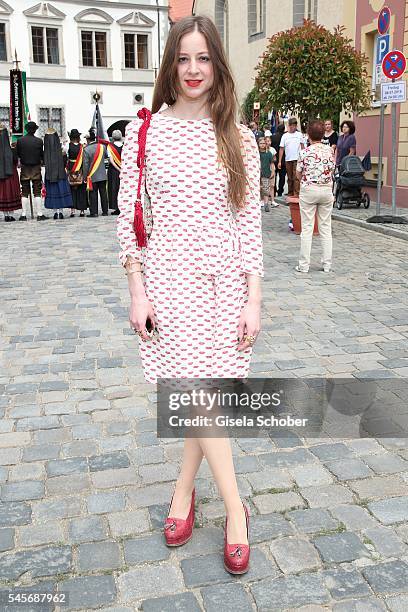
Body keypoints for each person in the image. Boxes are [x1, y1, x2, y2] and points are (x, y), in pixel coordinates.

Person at [117, 15, 263, 575]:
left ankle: (190, 497)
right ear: (170, 65)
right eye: (183, 58)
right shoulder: (145, 132)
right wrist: (137, 290)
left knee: (203, 399)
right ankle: (233, 509)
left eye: (203, 58)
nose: (194, 69)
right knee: (201, 399)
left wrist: (254, 298)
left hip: (225, 289)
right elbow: (130, 223)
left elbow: (248, 224)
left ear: (217, 64)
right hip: (170, 289)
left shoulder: (239, 137)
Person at [295, 120, 335, 273]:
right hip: (326, 190)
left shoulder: (304, 152)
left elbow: (298, 172)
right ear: (323, 134)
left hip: (309, 190)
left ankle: (304, 265)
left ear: (308, 135)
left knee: (307, 228)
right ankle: (327, 264)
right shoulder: (329, 151)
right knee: (325, 227)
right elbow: (331, 169)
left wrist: (305, 178)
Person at [16, 121, 48, 221]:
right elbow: (42, 155)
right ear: (34, 130)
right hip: (36, 168)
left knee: (24, 192)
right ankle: (39, 213)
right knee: (37, 192)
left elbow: (18, 154)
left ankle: (23, 214)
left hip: (25, 168)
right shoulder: (39, 141)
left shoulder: (20, 140)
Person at [43, 128, 73, 219]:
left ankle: (56, 213)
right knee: (60, 192)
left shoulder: (45, 152)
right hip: (60, 174)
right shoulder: (62, 152)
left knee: (53, 193)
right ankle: (60, 212)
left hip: (50, 174)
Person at [83, 129, 108, 217]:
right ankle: (105, 211)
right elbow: (105, 157)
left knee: (93, 194)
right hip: (102, 174)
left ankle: (94, 212)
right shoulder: (103, 147)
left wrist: (85, 177)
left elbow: (85, 165)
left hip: (92, 175)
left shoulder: (86, 149)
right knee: (103, 193)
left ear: (88, 140)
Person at [0, 124, 22, 222]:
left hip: (1, 175)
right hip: (11, 174)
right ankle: (10, 215)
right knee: (10, 192)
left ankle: (5, 215)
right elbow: (16, 161)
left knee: (3, 193)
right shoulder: (12, 149)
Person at [278, 117, 303, 197]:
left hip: (297, 159)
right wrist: (279, 161)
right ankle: (290, 193)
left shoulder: (299, 134)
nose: (292, 127)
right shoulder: (285, 136)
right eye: (291, 126)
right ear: (288, 126)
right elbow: (281, 149)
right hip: (288, 159)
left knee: (296, 177)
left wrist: (303, 158)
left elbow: (302, 146)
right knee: (289, 177)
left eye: (294, 126)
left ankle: (296, 193)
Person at [66, 129, 88, 218]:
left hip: (71, 168)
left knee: (72, 190)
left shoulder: (68, 146)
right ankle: (82, 210)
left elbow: (66, 158)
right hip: (80, 168)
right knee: (81, 190)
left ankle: (72, 211)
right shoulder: (82, 147)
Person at [107, 130, 123, 215]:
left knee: (114, 189)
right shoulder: (124, 146)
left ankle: (116, 207)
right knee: (122, 189)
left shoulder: (110, 147)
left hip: (113, 171)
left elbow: (111, 161)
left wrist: (118, 169)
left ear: (112, 137)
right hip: (123, 169)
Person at [259, 137, 277, 212]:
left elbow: (272, 163)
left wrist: (272, 172)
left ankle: (266, 203)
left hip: (266, 173)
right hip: (258, 173)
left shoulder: (268, 153)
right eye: (261, 143)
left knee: (266, 189)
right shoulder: (256, 153)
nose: (262, 145)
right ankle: (259, 202)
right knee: (259, 188)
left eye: (264, 143)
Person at [271, 123, 286, 197]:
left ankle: (273, 190)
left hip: (274, 159)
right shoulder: (285, 137)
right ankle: (280, 191)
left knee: (274, 176)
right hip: (283, 159)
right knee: (282, 177)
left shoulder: (272, 137)